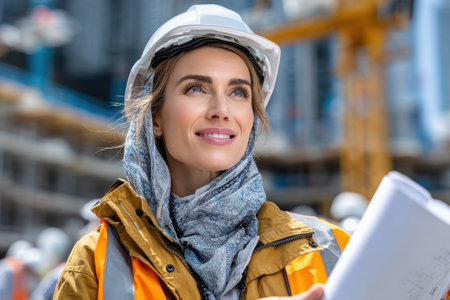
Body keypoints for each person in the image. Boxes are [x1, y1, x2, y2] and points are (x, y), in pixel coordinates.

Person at [53, 4, 349, 300]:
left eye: (238, 92)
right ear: (155, 117)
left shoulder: (331, 249)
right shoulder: (95, 263)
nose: (221, 110)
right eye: (196, 88)